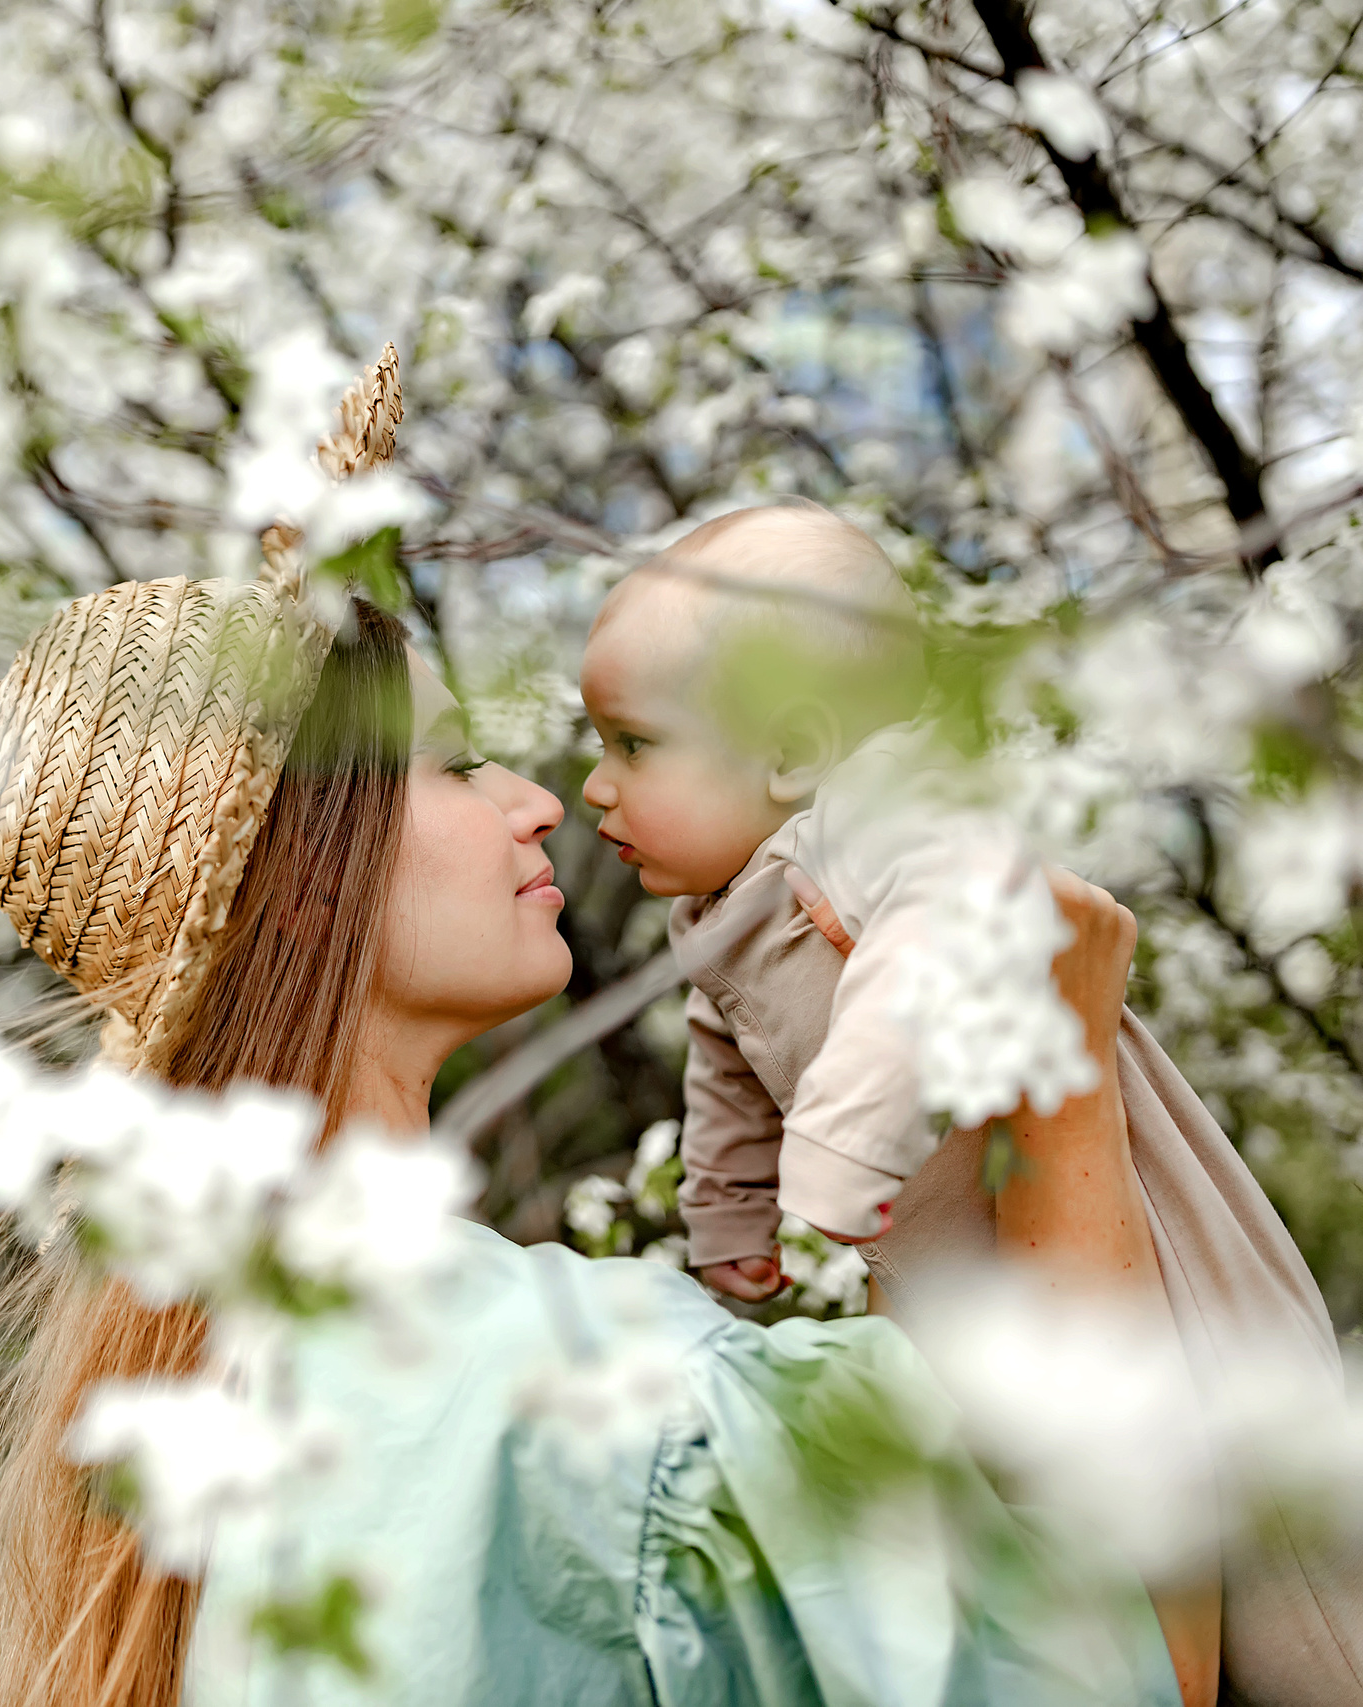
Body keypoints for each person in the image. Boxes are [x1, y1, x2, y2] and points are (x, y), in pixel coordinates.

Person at [0, 547, 1194, 1706]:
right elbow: (1130, 1662)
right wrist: (1065, 1081)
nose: (536, 801)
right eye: (447, 765)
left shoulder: (209, 1369)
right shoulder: (597, 1411)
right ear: (305, 878)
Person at [577, 501, 1361, 1704]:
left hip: (1137, 1233)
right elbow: (723, 1071)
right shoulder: (716, 913)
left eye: (630, 744)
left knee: (1282, 1576)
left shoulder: (877, 814)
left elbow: (944, 923)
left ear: (788, 751)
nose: (590, 787)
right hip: (975, 1274)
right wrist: (729, 1225)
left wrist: (834, 1162)